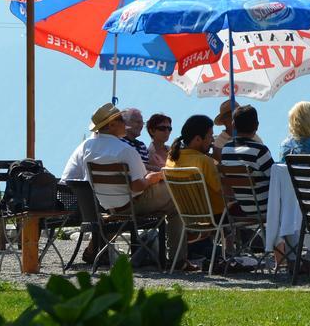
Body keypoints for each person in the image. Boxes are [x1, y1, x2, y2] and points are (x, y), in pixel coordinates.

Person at [61, 103, 192, 271]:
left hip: (107, 206)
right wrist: (153, 178)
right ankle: (178, 260)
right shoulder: (125, 150)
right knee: (177, 199)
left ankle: (101, 248)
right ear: (111, 125)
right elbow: (138, 186)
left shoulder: (87, 147)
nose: (125, 123)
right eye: (122, 120)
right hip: (131, 204)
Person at [164, 114, 226, 266]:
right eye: (210, 136)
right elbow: (220, 191)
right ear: (198, 139)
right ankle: (229, 255)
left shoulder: (171, 158)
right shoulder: (203, 160)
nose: (212, 140)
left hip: (185, 215)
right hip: (213, 216)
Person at [221, 105, 274, 216]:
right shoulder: (259, 150)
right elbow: (275, 178)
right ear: (257, 126)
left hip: (244, 208)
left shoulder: (226, 150)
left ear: (233, 125)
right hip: (265, 208)